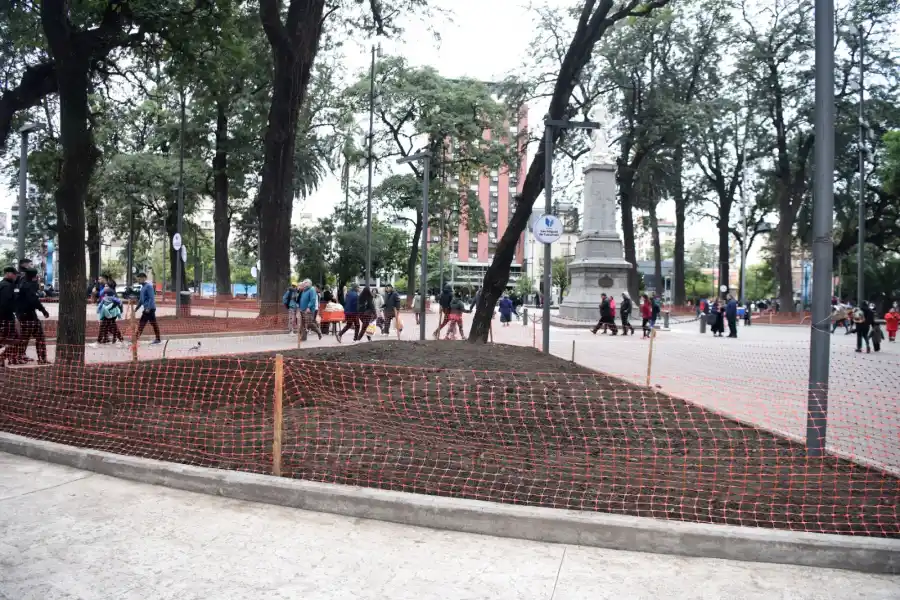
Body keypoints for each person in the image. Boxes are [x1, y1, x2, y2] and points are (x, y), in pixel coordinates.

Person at [15, 268, 50, 364]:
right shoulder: (29, 286)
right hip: (28, 315)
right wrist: (43, 310)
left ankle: (20, 356)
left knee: (26, 337)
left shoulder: (22, 282)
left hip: (24, 314)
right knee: (37, 337)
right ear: (34, 277)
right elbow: (34, 300)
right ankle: (40, 358)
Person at [135, 272, 162, 345]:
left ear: (144, 278)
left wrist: (148, 308)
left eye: (139, 279)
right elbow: (141, 300)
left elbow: (151, 298)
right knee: (153, 323)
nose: (138, 280)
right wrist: (136, 308)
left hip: (149, 309)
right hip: (147, 309)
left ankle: (135, 339)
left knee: (142, 323)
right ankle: (158, 339)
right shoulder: (143, 287)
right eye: (138, 279)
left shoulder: (149, 286)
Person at [0, 267, 19, 366]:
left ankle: (5, 357)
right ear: (7, 273)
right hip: (6, 317)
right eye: (14, 274)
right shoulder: (7, 286)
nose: (15, 276)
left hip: (5, 316)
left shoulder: (4, 284)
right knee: (14, 338)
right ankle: (3, 357)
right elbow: (6, 303)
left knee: (11, 338)